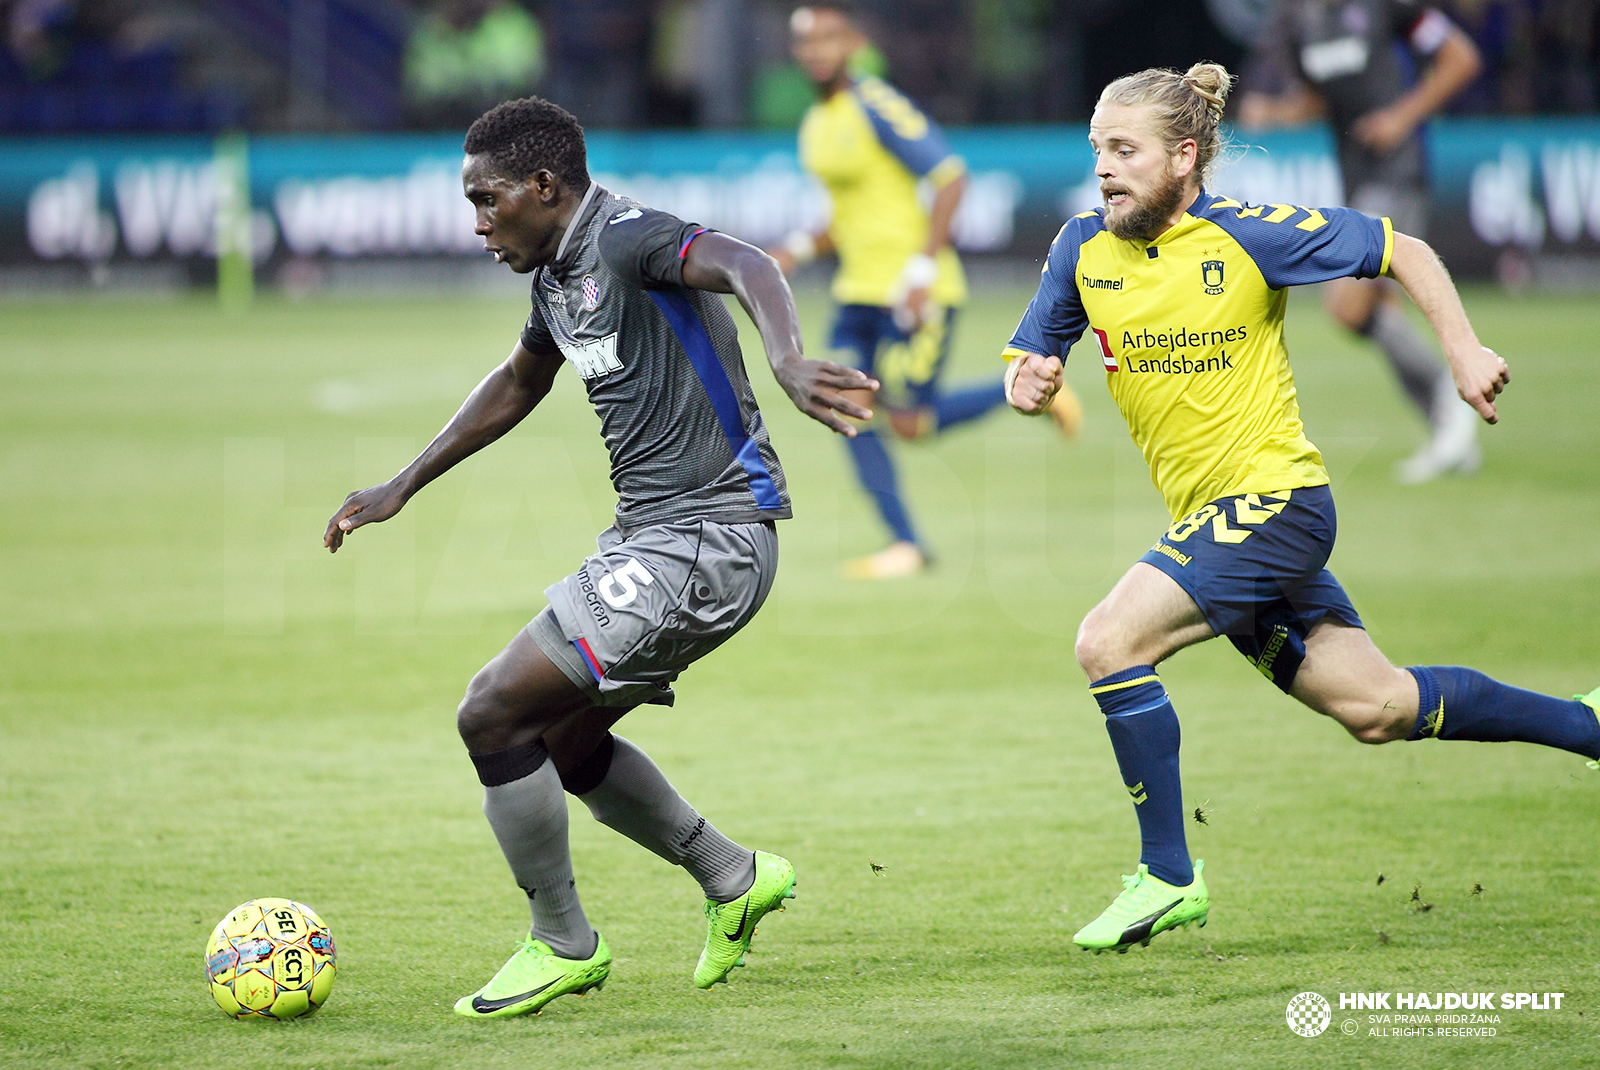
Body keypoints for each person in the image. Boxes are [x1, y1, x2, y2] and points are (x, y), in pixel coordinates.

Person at [1003, 63, 1599, 955]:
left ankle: (1168, 877)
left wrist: (1464, 350)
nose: (1105, 168)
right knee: (1378, 708)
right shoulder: (1079, 250)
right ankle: (1587, 725)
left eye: (1125, 151)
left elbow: (1405, 249)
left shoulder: (1249, 236)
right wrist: (1030, 379)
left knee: (1109, 641)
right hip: (1210, 522)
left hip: (1275, 505)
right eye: (1099, 150)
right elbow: (1029, 357)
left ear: (1184, 156)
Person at [324, 97, 878, 1016]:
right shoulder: (556, 272)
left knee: (493, 713)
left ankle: (562, 943)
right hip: (659, 537)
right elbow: (517, 381)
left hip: (706, 537)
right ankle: (734, 878)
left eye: (488, 199)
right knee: (563, 739)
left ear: (544, 187)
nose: (478, 223)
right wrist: (402, 485)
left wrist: (786, 359)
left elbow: (748, 261)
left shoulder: (625, 238)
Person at [770, 3, 1082, 580]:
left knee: (912, 424)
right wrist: (796, 250)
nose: (816, 50)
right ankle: (905, 544)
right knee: (846, 405)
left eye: (828, 38)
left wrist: (919, 273)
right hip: (858, 291)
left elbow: (950, 176)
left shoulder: (876, 104)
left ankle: (1025, 386)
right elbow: (849, 216)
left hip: (915, 290)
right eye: (806, 41)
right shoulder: (818, 122)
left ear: (854, 42)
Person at [1237, 1, 1484, 485]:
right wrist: (1274, 113)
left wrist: (1401, 116)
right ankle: (1449, 425)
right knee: (1368, 309)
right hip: (1354, 177)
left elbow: (1461, 58)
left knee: (1348, 302)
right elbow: (1314, 102)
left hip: (1398, 168)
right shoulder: (1294, 23)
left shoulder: (1386, 5)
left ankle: (1449, 401)